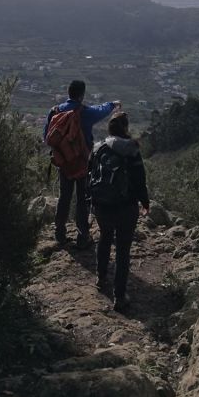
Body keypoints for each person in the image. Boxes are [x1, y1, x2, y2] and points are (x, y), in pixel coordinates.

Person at [44, 80, 119, 247]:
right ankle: (82, 236)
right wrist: (112, 104)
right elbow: (101, 110)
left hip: (63, 162)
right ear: (82, 95)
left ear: (68, 93)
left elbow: (46, 137)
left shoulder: (54, 111)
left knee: (64, 197)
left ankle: (60, 233)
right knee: (83, 198)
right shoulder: (84, 112)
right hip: (83, 162)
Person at [90, 111, 149, 312]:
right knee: (123, 249)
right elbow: (140, 179)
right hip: (126, 207)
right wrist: (145, 202)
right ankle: (119, 296)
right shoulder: (131, 149)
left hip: (102, 205)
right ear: (125, 127)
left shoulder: (98, 147)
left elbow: (91, 175)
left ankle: (100, 277)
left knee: (104, 238)